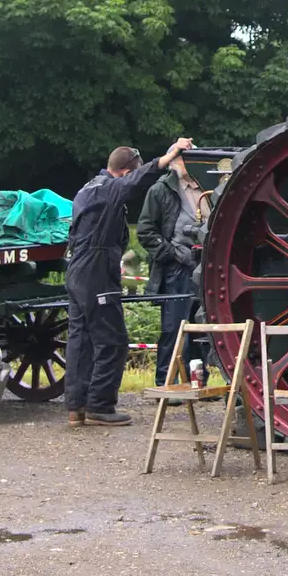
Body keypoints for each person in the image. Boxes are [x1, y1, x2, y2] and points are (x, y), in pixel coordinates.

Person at [65, 139, 192, 427]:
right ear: (123, 172)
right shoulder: (109, 188)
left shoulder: (87, 189)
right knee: (113, 339)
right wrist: (168, 156)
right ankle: (100, 406)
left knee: (80, 339)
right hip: (96, 271)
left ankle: (76, 407)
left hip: (77, 270)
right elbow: (137, 180)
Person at [136, 153, 211, 385]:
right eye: (183, 159)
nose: (188, 164)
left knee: (200, 326)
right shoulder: (160, 190)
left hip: (204, 263)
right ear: (173, 164)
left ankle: (197, 381)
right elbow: (146, 232)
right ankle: (166, 382)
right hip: (176, 267)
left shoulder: (207, 187)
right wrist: (173, 253)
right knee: (174, 328)